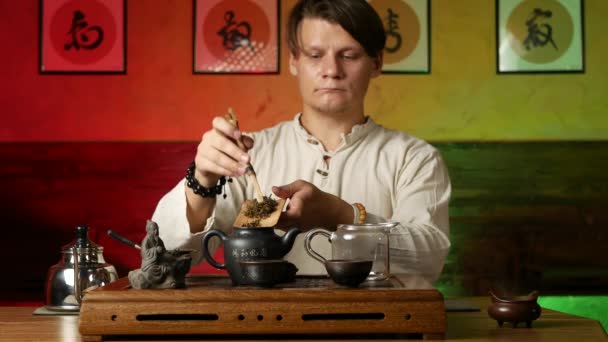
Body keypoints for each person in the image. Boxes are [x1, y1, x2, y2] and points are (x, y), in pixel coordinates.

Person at [152, 0, 451, 282]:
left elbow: (430, 257)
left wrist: (342, 216)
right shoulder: (247, 154)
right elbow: (160, 260)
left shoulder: (414, 157)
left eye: (349, 55)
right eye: (315, 55)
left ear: (376, 63)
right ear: (294, 61)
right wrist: (201, 182)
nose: (332, 71)